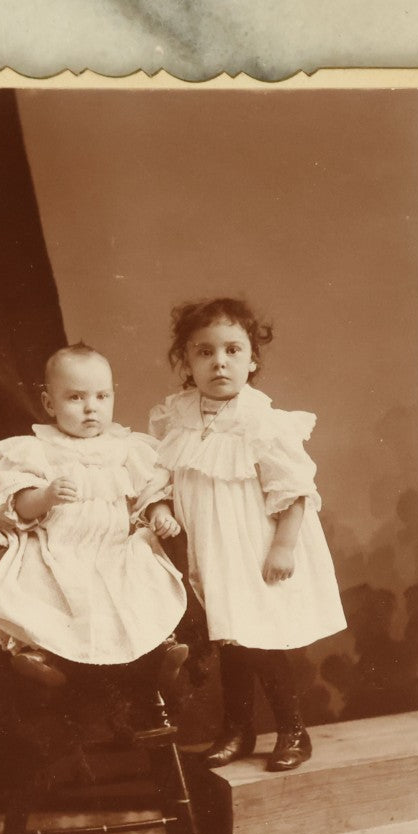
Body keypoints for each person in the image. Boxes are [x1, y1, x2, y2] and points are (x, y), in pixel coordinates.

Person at [149, 298, 346, 771]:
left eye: (233, 350)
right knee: (229, 642)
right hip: (209, 549)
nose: (220, 361)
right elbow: (157, 476)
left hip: (255, 546)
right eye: (205, 352)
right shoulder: (176, 417)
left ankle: (293, 730)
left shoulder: (263, 421)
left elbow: (294, 490)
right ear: (187, 362)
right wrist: (158, 506)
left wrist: (282, 546)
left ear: (252, 360)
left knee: (261, 642)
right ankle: (237, 730)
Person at [0, 344, 187, 701]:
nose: (91, 407)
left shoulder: (127, 447)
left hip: (114, 545)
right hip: (59, 544)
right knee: (43, 589)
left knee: (140, 579)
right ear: (50, 404)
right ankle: (41, 654)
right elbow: (15, 506)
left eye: (101, 396)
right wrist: (45, 495)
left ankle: (160, 651)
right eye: (75, 397)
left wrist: (160, 514)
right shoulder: (36, 449)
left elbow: (149, 493)